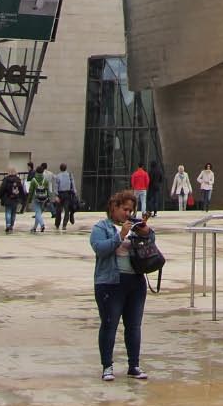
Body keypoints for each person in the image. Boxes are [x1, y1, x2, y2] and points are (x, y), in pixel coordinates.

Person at [90, 189, 152, 382]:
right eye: (125, 209)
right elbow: (100, 249)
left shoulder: (133, 226)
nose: (128, 214)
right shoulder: (101, 227)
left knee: (134, 326)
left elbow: (151, 243)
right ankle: (107, 366)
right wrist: (120, 236)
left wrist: (146, 232)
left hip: (135, 281)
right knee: (109, 324)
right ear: (114, 207)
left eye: (131, 210)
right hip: (110, 282)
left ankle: (134, 365)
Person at [0, 167, 25, 232]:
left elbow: (2, 189)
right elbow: (21, 190)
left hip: (7, 198)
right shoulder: (18, 180)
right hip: (15, 199)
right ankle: (11, 226)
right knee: (13, 213)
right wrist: (23, 198)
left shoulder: (6, 180)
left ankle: (8, 225)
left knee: (8, 212)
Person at [27, 163, 50, 233]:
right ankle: (34, 227)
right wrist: (48, 198)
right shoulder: (45, 180)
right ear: (43, 172)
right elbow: (47, 190)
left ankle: (42, 224)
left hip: (36, 198)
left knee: (37, 212)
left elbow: (31, 191)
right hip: (43, 198)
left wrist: (29, 199)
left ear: (36, 172)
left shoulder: (34, 180)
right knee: (39, 212)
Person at [54, 163, 77, 230]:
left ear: (60, 168)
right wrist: (74, 193)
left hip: (60, 194)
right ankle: (64, 225)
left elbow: (56, 187)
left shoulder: (57, 176)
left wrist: (56, 195)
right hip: (67, 194)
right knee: (67, 210)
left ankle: (57, 224)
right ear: (66, 168)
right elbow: (73, 185)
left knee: (58, 210)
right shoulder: (70, 175)